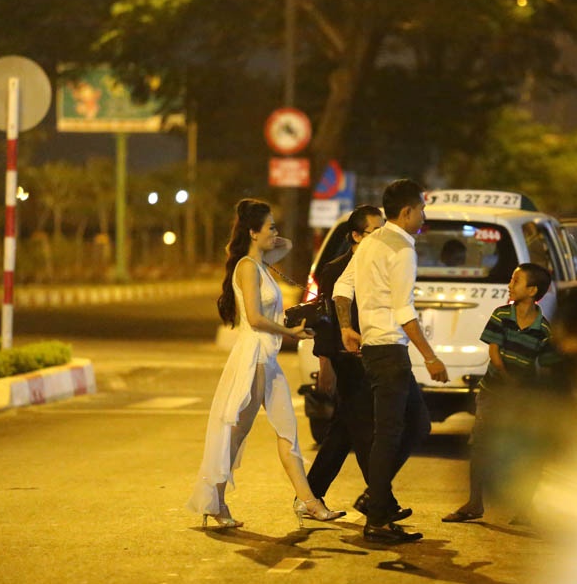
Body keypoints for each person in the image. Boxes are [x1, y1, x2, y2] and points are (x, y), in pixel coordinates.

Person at [187, 198, 345, 529]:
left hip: (266, 359)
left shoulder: (258, 263)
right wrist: (290, 333)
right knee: (238, 433)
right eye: (270, 227)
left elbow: (285, 246)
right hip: (254, 357)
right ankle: (216, 501)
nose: (276, 232)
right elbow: (256, 317)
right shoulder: (247, 267)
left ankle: (310, 503)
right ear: (252, 232)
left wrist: (266, 236)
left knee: (286, 431)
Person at [334, 178, 448, 544]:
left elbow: (341, 287)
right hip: (388, 351)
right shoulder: (401, 250)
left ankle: (376, 496)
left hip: (375, 349)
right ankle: (377, 520)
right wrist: (431, 357)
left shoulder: (371, 242)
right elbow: (404, 312)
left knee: (418, 425)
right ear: (408, 212)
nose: (424, 216)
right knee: (389, 434)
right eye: (422, 210)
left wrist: (347, 327)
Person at [441, 262, 561, 525]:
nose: (510, 285)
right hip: (493, 393)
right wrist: (509, 380)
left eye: (516, 281)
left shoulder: (544, 329)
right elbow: (494, 353)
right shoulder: (501, 315)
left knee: (525, 451)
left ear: (532, 290)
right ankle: (475, 503)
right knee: (481, 446)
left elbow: (548, 366)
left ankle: (523, 507)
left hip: (521, 399)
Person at [306, 205, 385, 505]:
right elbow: (324, 322)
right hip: (345, 358)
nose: (381, 238)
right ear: (355, 236)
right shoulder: (335, 270)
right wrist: (325, 364)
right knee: (365, 429)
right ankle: (380, 501)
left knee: (343, 431)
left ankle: (310, 495)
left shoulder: (380, 267)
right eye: (374, 232)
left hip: (370, 356)